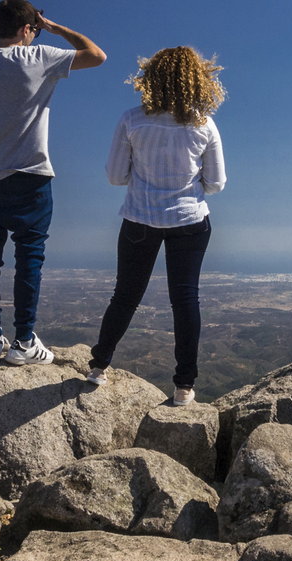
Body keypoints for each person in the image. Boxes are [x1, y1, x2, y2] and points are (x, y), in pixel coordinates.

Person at [0, 0, 106, 364]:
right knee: (29, 258)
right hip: (30, 178)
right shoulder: (40, 57)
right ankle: (23, 343)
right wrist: (54, 28)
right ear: (26, 28)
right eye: (33, 28)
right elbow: (96, 55)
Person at [87, 46, 226, 405]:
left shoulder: (132, 120)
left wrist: (144, 178)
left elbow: (116, 177)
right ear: (198, 79)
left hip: (139, 218)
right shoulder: (204, 124)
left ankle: (98, 366)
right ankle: (184, 387)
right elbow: (217, 183)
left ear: (150, 78)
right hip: (190, 220)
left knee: (125, 296)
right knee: (185, 299)